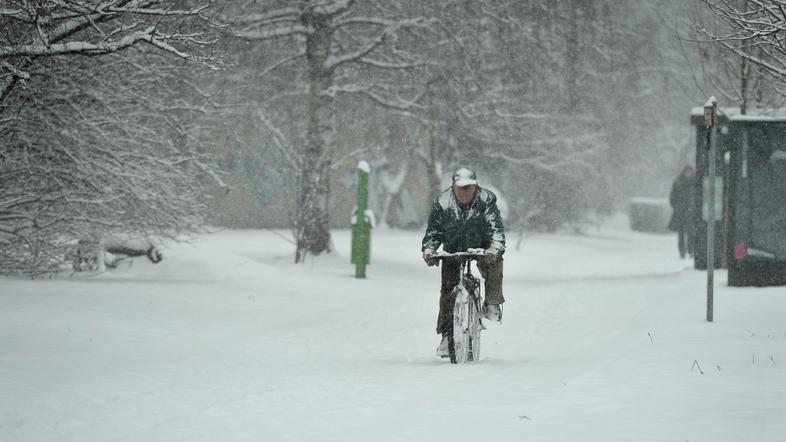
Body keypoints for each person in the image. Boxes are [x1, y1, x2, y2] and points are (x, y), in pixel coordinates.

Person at [421, 167, 506, 358]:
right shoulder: (441, 203)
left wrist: (495, 248)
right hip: (454, 247)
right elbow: (433, 232)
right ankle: (446, 335)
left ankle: (492, 303)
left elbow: (496, 229)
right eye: (461, 188)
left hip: (482, 244)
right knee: (447, 289)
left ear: (476, 186)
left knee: (494, 263)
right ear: (453, 186)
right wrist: (429, 250)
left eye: (469, 187)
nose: (465, 192)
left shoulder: (486, 199)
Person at [668, 165, 697, 259]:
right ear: (684, 172)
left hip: (691, 212)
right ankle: (682, 252)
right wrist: (677, 207)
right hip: (680, 212)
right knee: (681, 234)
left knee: (691, 233)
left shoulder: (695, 182)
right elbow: (672, 196)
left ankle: (691, 251)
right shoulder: (678, 182)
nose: (689, 173)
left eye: (690, 171)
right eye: (687, 171)